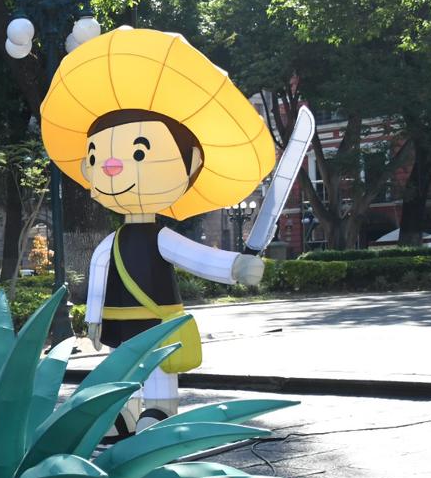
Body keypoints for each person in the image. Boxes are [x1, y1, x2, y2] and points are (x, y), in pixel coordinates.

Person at [40, 27, 276, 434]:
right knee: (122, 364)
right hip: (118, 319)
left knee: (158, 363)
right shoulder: (111, 243)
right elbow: (98, 276)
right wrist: (93, 317)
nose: (111, 167)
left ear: (191, 166)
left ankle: (160, 409)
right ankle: (123, 411)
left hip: (156, 318)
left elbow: (196, 256)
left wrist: (236, 267)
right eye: (98, 156)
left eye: (137, 153)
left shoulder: (161, 237)